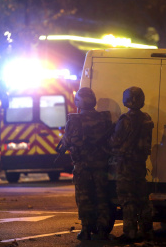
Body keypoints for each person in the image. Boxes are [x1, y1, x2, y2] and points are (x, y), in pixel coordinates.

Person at [61, 87, 112, 240]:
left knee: (84, 198)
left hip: (82, 167)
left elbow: (66, 142)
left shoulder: (74, 120)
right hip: (101, 166)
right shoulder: (104, 119)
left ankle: (86, 229)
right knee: (101, 196)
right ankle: (103, 228)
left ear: (79, 102)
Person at [110, 86, 154, 243]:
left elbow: (115, 142)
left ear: (126, 100)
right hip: (140, 164)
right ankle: (147, 230)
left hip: (126, 165)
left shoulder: (124, 120)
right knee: (142, 198)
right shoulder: (147, 119)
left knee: (127, 199)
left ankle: (130, 232)